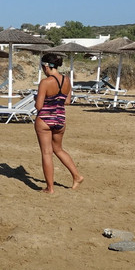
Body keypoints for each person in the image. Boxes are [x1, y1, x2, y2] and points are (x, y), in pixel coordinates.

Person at [34, 52, 83, 193]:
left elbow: (38, 106)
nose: (43, 70)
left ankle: (50, 188)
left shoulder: (45, 82)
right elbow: (67, 101)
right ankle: (77, 176)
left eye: (43, 67)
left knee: (47, 153)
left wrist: (37, 98)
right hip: (60, 119)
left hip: (45, 119)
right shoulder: (67, 80)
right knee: (58, 149)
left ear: (46, 66)